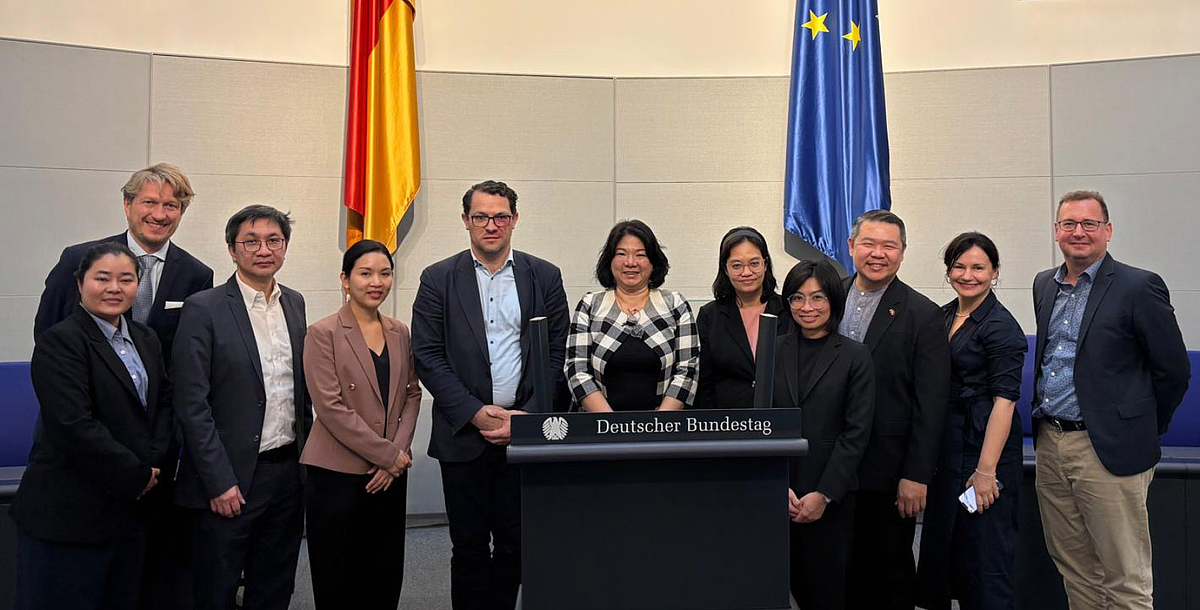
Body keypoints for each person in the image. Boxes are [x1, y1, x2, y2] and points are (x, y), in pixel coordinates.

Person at [31, 163, 212, 609]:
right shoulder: (79, 259)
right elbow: (49, 338)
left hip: (149, 456)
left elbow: (177, 371)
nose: (159, 213)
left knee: (135, 582)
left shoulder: (196, 274)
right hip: (80, 454)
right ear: (128, 204)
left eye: (171, 205)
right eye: (149, 202)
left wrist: (156, 456)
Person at [411, 180, 569, 610]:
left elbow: (557, 353)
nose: (491, 225)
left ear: (515, 220)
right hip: (463, 435)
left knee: (516, 545)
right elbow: (427, 355)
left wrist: (527, 417)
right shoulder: (438, 279)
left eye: (500, 216)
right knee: (468, 547)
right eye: (481, 216)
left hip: (524, 435)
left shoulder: (544, 276)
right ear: (466, 221)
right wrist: (476, 413)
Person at [1032, 190, 1190, 610]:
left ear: (1108, 230)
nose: (1078, 232)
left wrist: (1140, 426)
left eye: (1089, 224)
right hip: (1051, 443)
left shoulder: (1139, 286)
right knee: (1075, 570)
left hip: (1109, 449)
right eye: (1069, 223)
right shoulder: (1044, 284)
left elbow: (1174, 371)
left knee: (1125, 579)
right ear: (1056, 230)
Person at [11, 242, 174, 610]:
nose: (114, 288)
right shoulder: (60, 341)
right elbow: (73, 425)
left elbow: (163, 404)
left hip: (131, 511)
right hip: (69, 514)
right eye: (102, 278)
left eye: (126, 279)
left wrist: (154, 461)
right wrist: (136, 473)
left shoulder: (145, 339)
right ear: (80, 283)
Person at [172, 205, 311, 610]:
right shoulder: (204, 308)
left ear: (285, 247)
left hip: (286, 472)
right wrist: (218, 481)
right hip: (229, 477)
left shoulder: (294, 303)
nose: (263, 250)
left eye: (273, 240)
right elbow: (191, 403)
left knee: (274, 584)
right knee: (216, 587)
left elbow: (299, 393)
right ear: (232, 250)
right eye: (251, 241)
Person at [301, 239, 422, 609]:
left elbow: (412, 394)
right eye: (365, 273)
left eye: (385, 274)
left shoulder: (399, 331)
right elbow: (330, 407)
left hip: (390, 474)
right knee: (339, 577)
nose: (376, 282)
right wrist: (387, 455)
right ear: (345, 279)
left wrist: (396, 455)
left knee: (384, 572)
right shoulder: (323, 332)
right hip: (337, 472)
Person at [840, 210, 951, 610]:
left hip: (888, 470)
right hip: (831, 466)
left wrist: (917, 475)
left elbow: (931, 403)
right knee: (838, 571)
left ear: (903, 252)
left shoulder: (924, 314)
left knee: (889, 573)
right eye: (868, 243)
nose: (878, 253)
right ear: (851, 246)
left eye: (889, 246)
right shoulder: (826, 299)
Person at [916, 232, 1026, 610]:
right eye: (959, 267)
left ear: (994, 272)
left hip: (984, 453)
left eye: (978, 267)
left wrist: (985, 472)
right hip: (947, 452)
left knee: (984, 558)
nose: (968, 275)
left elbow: (1005, 403)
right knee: (947, 552)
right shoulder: (944, 315)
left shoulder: (1001, 326)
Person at [773, 259, 874, 610]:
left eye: (818, 297)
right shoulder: (772, 350)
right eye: (797, 298)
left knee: (826, 593)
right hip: (779, 493)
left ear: (833, 300)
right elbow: (762, 423)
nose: (807, 307)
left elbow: (856, 432)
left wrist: (824, 494)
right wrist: (777, 485)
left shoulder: (856, 356)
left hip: (830, 496)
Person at [566, 219, 698, 412]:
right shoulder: (590, 305)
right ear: (610, 261)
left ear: (653, 262)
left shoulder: (675, 304)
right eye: (621, 254)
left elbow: (688, 369)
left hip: (664, 425)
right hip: (599, 425)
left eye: (640, 255)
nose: (630, 262)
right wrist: (611, 424)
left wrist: (659, 424)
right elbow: (577, 370)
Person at [695, 226, 790, 409]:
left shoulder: (787, 310)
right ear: (725, 269)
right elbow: (704, 381)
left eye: (754, 263)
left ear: (765, 264)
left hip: (779, 416)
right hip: (727, 418)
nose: (746, 272)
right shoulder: (710, 316)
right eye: (737, 265)